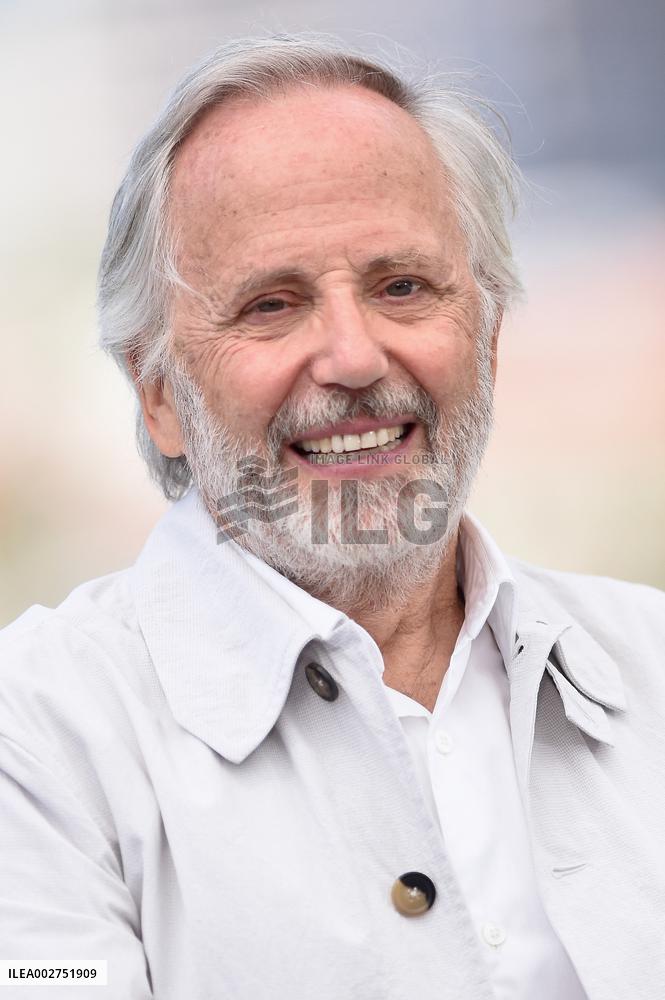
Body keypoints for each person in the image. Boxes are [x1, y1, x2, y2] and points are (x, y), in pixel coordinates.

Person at [0, 35, 663, 1000]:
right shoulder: (34, 740)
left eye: (402, 287)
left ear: (487, 337)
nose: (353, 357)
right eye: (271, 305)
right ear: (157, 393)